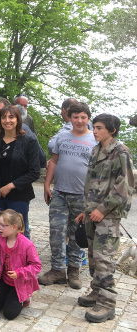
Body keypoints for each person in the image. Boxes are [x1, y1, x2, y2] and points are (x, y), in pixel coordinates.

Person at [75, 114, 134, 323]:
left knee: (104, 259)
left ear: (112, 130)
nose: (95, 131)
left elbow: (125, 186)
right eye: (95, 127)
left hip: (108, 216)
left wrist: (103, 209)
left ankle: (107, 304)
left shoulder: (121, 152)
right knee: (93, 256)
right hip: (93, 213)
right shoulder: (96, 150)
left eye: (99, 128)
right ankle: (97, 292)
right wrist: (86, 209)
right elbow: (91, 184)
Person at [39, 102, 96, 289]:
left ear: (88, 119)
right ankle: (57, 270)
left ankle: (73, 270)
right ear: (69, 118)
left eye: (83, 117)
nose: (79, 121)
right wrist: (47, 184)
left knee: (76, 234)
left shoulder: (95, 140)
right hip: (60, 193)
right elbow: (53, 161)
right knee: (56, 232)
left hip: (82, 196)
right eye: (75, 117)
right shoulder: (62, 137)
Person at [0, 106, 41, 239]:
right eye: (4, 117)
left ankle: (20, 260)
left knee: (18, 235)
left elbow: (34, 172)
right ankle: (1, 260)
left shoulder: (29, 141)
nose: (7, 120)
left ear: (18, 120)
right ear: (0, 120)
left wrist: (11, 185)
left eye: (11, 117)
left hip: (19, 196)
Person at [0, 209, 42, 320]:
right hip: (4, 280)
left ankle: (24, 298)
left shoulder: (27, 245)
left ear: (14, 227)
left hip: (19, 283)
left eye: (2, 225)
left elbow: (36, 266)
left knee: (9, 314)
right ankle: (8, 296)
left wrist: (19, 273)